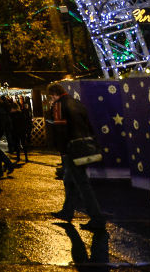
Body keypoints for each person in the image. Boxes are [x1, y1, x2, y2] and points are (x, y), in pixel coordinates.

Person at [46, 83, 105, 230]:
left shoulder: (59, 105)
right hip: (85, 146)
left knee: (82, 184)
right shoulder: (77, 103)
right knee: (70, 180)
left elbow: (60, 129)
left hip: (71, 148)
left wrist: (61, 149)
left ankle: (97, 218)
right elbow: (87, 124)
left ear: (54, 94)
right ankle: (67, 211)